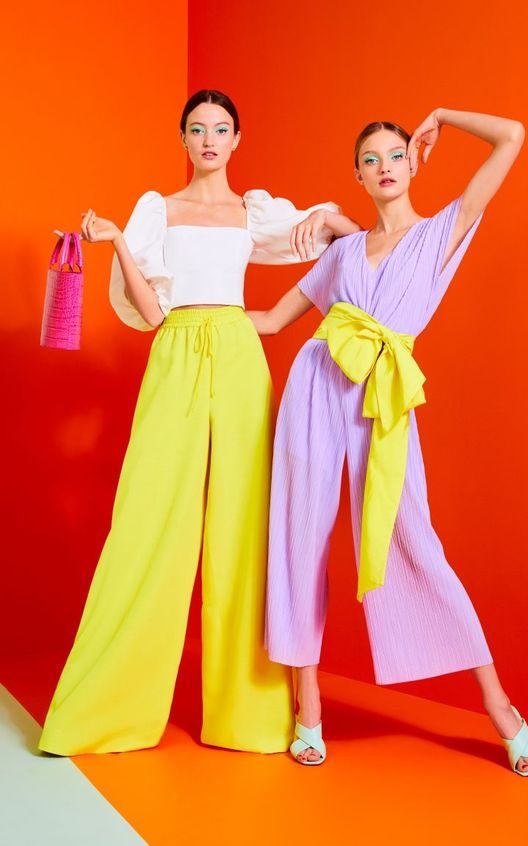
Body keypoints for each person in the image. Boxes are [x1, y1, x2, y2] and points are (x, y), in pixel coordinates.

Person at [38, 89, 360, 756]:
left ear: (237, 139)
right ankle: (107, 708)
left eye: (220, 129)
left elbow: (347, 241)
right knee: (149, 515)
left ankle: (249, 716)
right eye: (196, 129)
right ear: (182, 138)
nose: (208, 139)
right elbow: (154, 312)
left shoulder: (254, 212)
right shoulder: (158, 210)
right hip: (176, 349)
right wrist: (118, 242)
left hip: (240, 354)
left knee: (246, 525)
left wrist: (329, 213)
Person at [249, 108, 528, 775]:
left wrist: (440, 117)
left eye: (394, 155)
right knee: (298, 538)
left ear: (413, 163)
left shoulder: (440, 232)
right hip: (315, 388)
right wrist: (181, 307)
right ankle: (308, 708)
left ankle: (501, 709)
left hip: (383, 400)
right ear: (356, 175)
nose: (384, 167)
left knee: (415, 541)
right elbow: (269, 320)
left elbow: (512, 137)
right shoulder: (341, 252)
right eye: (370, 159)